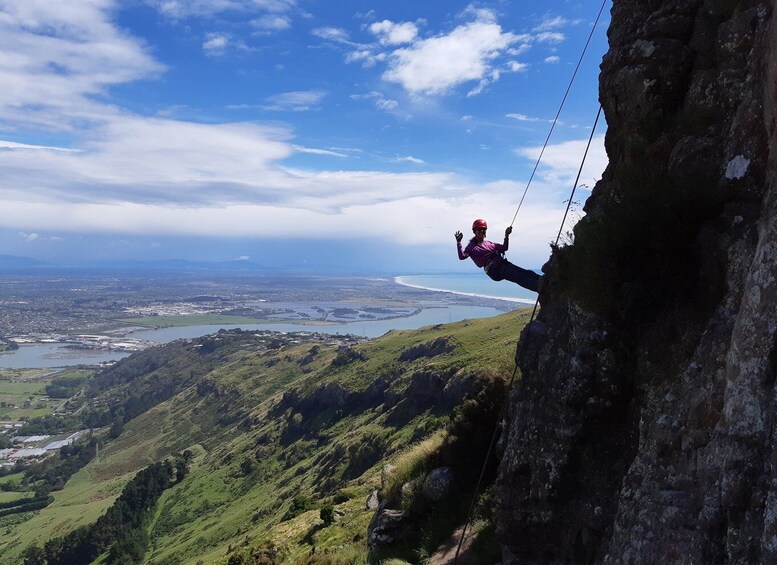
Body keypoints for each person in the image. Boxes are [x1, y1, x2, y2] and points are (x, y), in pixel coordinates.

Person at [455, 218, 543, 292]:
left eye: (483, 229)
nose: (481, 231)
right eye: (478, 229)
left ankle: (544, 280)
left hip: (501, 264)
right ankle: (538, 287)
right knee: (519, 277)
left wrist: (506, 235)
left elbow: (504, 247)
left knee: (527, 272)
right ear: (474, 231)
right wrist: (459, 242)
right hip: (494, 270)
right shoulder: (471, 247)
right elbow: (462, 256)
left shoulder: (489, 243)